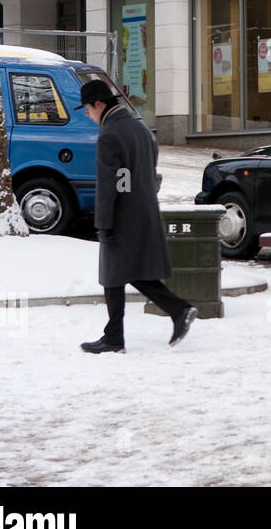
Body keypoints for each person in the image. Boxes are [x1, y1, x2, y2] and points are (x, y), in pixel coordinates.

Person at [77, 80, 196, 354]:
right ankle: (120, 333)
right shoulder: (141, 129)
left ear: (99, 104)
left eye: (86, 108)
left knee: (115, 273)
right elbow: (146, 172)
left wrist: (103, 222)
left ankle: (171, 313)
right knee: (124, 273)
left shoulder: (110, 135)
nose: (87, 115)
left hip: (121, 214)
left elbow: (110, 184)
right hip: (143, 209)